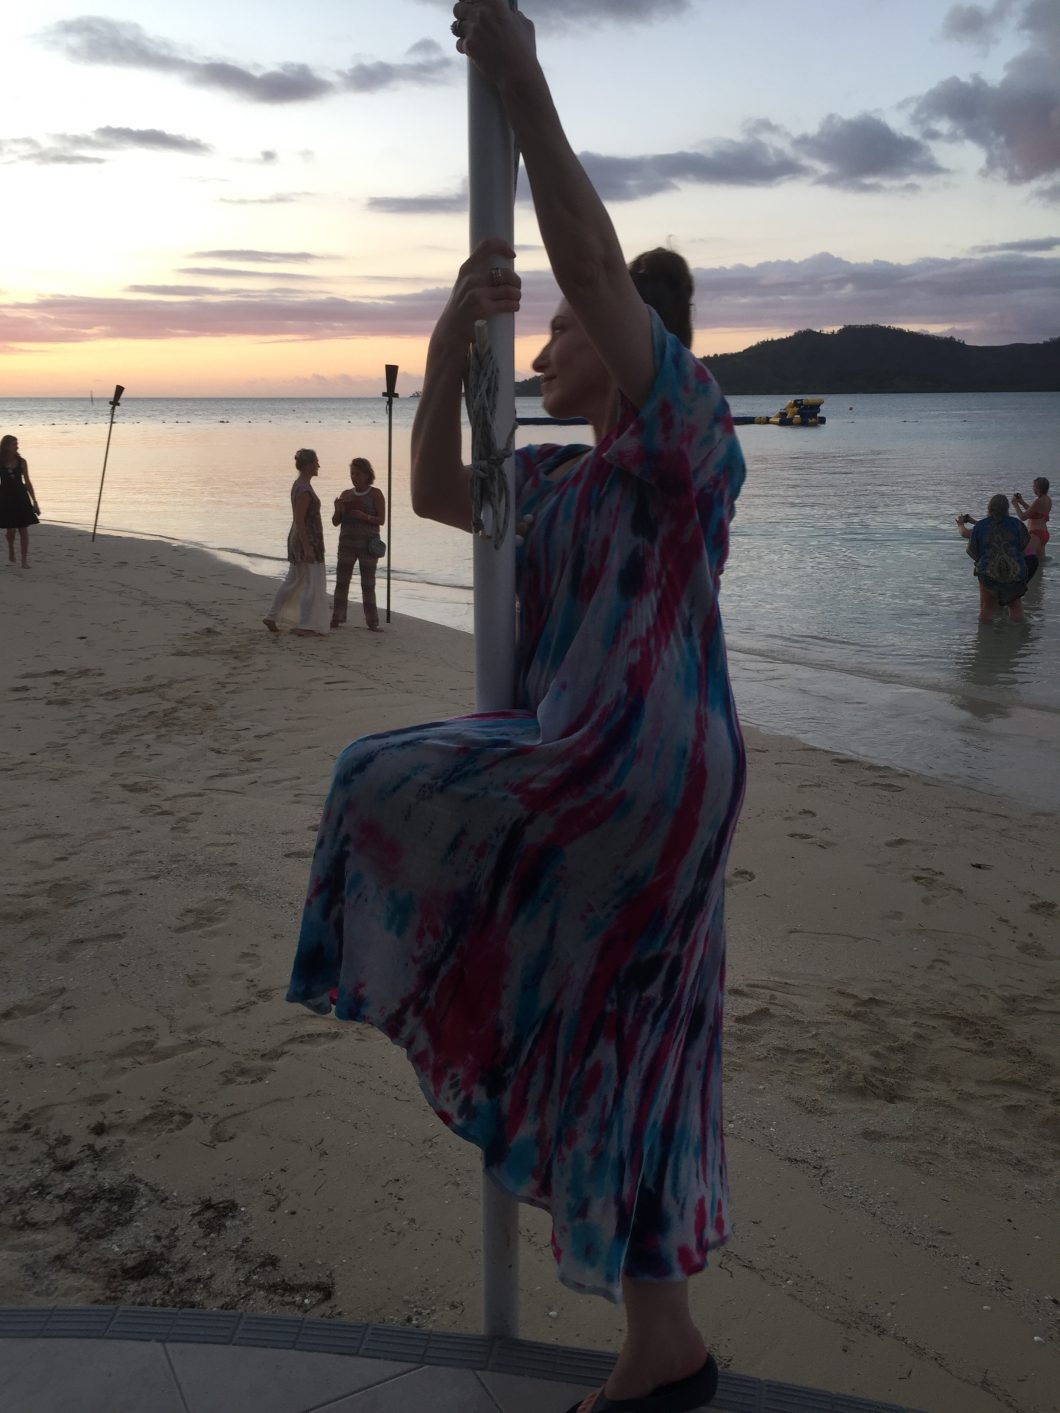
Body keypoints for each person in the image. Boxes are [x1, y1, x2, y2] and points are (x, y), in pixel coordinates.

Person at [286, 5, 746, 1409]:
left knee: (376, 776)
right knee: (638, 1057)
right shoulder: (556, 487)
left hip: (618, 759)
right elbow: (434, 493)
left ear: (636, 345)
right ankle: (662, 1345)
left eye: (561, 332)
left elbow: (597, 263)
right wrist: (440, 346)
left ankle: (464, 994)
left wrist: (525, 82)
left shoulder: (681, 435)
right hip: (668, 790)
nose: (545, 346)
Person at [263, 448, 330, 637]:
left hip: (300, 538)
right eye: (316, 462)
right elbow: (300, 520)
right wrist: (308, 547)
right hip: (306, 540)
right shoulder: (304, 489)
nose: (318, 465)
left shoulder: (300, 485)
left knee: (294, 580)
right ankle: (306, 624)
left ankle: (273, 615)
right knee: (311, 583)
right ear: (308, 465)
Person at [956, 494, 1032, 622]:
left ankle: (985, 640)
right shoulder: (1017, 524)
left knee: (987, 608)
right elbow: (1024, 546)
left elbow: (973, 551)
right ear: (1007, 508)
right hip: (1014, 571)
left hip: (988, 572)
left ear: (990, 508)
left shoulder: (981, 526)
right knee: (1015, 606)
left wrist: (960, 524)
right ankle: (1019, 639)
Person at [331, 456, 386, 631]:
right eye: (352, 473)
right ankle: (337, 617)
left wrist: (364, 516)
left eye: (357, 473)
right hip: (346, 543)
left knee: (368, 584)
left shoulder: (375, 494)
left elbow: (381, 519)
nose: (354, 477)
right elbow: (335, 522)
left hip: (368, 545)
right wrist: (337, 509)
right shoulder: (346, 494)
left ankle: (372, 621)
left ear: (367, 474)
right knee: (342, 581)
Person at [0, 434, 40, 569]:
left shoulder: (22, 462)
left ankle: (24, 560)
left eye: (17, 444)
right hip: (5, 498)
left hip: (21, 498)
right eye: (14, 444)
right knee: (10, 530)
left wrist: (35, 501)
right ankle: (11, 548)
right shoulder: (0, 462)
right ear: (6, 446)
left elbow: (28, 482)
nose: (17, 446)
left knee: (23, 529)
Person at [1012, 477, 1051, 559]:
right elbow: (1034, 512)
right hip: (1044, 534)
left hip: (1036, 535)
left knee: (1025, 558)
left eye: (1034, 486)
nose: (1033, 488)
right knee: (1040, 562)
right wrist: (1021, 502)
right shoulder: (1048, 499)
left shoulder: (1038, 501)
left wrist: (1015, 504)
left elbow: (1023, 517)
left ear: (1039, 488)